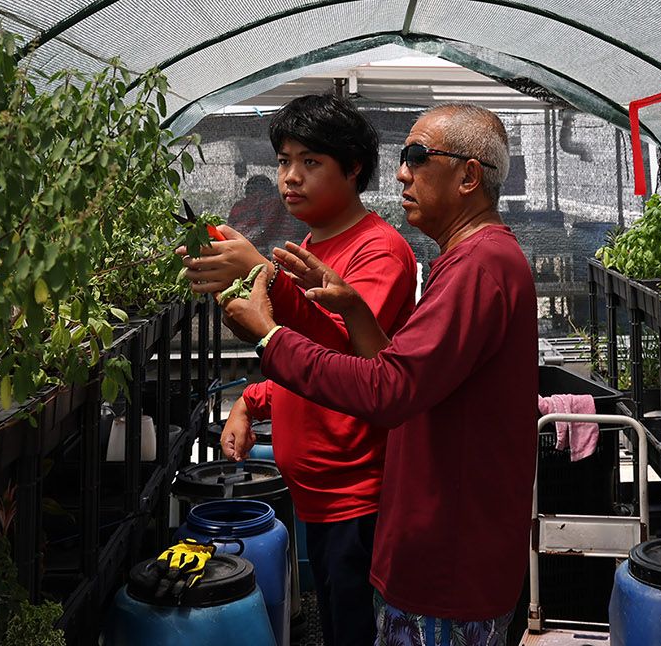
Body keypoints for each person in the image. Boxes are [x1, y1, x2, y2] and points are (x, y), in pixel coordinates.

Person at [211, 104, 538, 645]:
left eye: (416, 156)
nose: (402, 172)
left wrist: (269, 337)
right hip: (426, 549)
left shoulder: (479, 266)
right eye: (284, 161)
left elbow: (387, 390)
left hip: (444, 564)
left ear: (468, 176)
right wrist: (356, 312)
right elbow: (404, 371)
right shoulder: (464, 261)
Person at [181, 94, 417, 646]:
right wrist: (251, 401)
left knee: (356, 629)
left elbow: (350, 364)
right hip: (317, 490)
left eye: (310, 162)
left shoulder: (378, 252)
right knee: (334, 620)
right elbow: (299, 355)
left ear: (353, 167)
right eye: (284, 160)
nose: (290, 177)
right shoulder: (311, 244)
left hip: (359, 491)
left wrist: (266, 276)